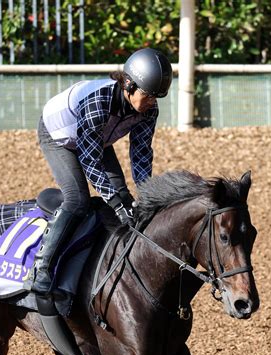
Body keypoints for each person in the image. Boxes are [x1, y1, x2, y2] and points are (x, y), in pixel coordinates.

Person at [30, 47, 173, 295]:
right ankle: (42, 269)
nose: (152, 103)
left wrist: (145, 197)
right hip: (59, 137)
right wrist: (116, 203)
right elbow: (89, 160)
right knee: (78, 200)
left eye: (156, 97)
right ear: (128, 85)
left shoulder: (149, 110)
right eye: (148, 95)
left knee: (126, 199)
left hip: (97, 138)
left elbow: (140, 155)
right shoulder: (98, 101)